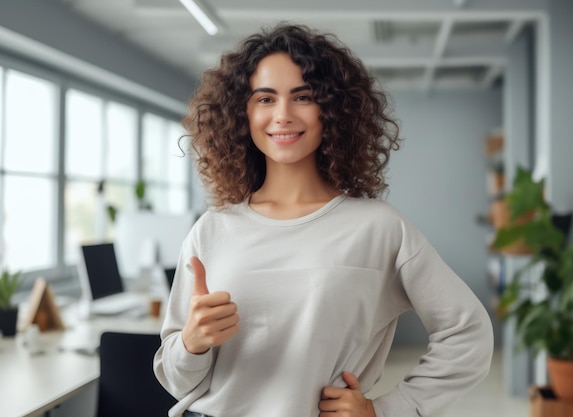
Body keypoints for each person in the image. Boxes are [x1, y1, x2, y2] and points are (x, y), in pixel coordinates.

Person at [153, 23, 493, 417]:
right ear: (241, 112)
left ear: (331, 109)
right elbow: (177, 382)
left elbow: (468, 333)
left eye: (303, 96)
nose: (282, 115)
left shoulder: (380, 228)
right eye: (265, 98)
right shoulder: (211, 230)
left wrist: (388, 409)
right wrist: (192, 342)